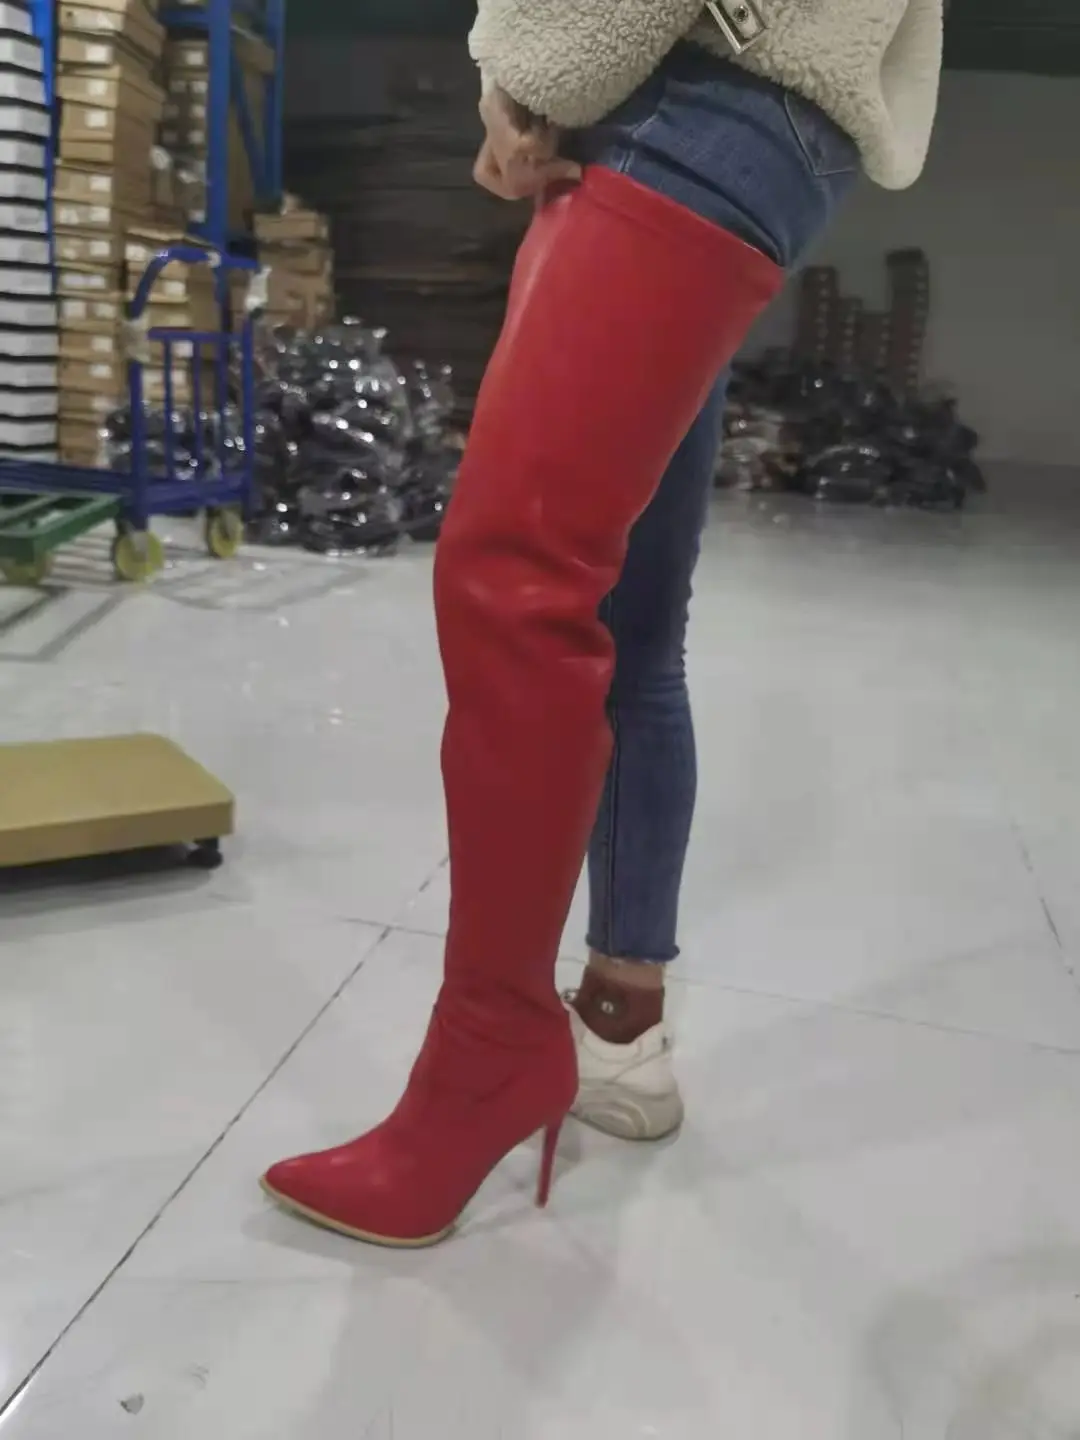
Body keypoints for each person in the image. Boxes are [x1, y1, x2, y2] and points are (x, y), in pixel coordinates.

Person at [262, 0, 944, 1245]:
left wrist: (527, 71)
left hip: (693, 96)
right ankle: (619, 1034)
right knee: (622, 608)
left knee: (514, 576)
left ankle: (489, 1056)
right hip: (762, 120)